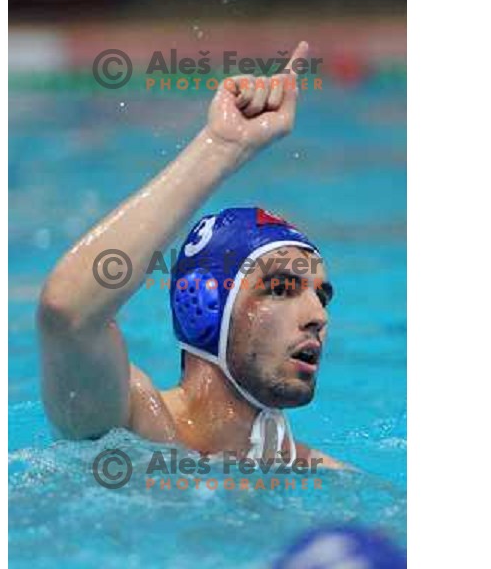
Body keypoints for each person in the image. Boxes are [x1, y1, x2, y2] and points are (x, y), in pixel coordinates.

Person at [38, 41, 343, 468]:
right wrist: (222, 146)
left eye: (321, 295)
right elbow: (67, 313)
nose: (318, 315)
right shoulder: (130, 426)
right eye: (281, 288)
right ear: (203, 305)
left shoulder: (321, 476)